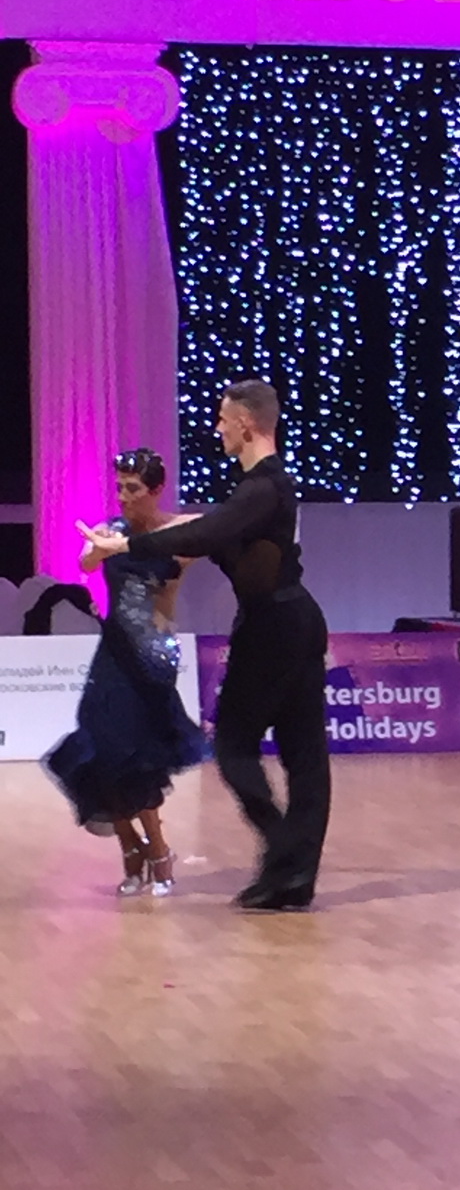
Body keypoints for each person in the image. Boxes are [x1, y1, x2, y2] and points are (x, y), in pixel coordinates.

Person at [79, 381, 331, 911]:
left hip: (277, 625)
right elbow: (211, 530)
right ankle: (291, 877)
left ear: (245, 424)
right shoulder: (259, 490)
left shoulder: (263, 488)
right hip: (287, 620)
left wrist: (126, 544)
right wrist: (140, 537)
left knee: (239, 745)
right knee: (302, 754)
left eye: (222, 419)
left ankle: (286, 855)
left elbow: (208, 533)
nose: (217, 428)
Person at [46, 448, 205, 897]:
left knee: (140, 756)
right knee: (101, 751)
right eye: (119, 487)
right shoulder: (109, 530)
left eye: (133, 488)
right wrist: (97, 548)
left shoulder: (178, 534)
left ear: (156, 490)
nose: (123, 496)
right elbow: (85, 563)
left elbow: (213, 535)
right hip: (113, 655)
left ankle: (157, 851)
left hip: (153, 657)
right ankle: (130, 845)